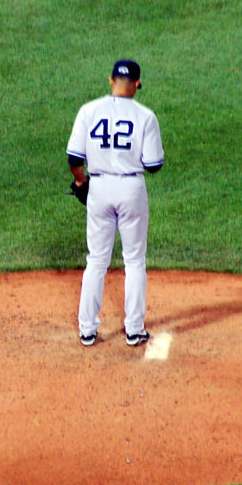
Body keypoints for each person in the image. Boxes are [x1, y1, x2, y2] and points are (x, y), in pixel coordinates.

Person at [66, 59, 164, 347]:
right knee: (134, 261)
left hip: (99, 188)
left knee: (96, 260)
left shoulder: (88, 110)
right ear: (138, 84)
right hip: (131, 188)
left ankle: (87, 330)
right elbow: (154, 164)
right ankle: (134, 329)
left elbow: (74, 160)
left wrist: (82, 181)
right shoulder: (146, 116)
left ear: (110, 80)